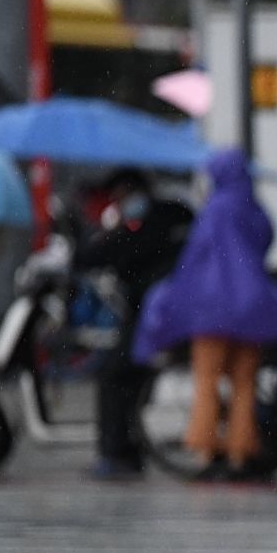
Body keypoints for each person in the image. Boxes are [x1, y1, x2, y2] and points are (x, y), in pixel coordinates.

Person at [133, 151, 277, 479]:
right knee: (245, 383)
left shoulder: (213, 210)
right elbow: (267, 237)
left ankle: (206, 450)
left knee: (208, 381)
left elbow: (195, 256)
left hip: (210, 312)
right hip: (250, 308)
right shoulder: (252, 206)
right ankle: (240, 453)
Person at [74, 169, 192, 480]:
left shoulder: (141, 225)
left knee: (114, 374)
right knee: (130, 378)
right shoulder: (177, 213)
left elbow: (100, 254)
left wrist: (79, 245)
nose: (119, 202)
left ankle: (116, 454)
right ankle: (130, 446)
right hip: (186, 310)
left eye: (120, 196)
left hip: (156, 316)